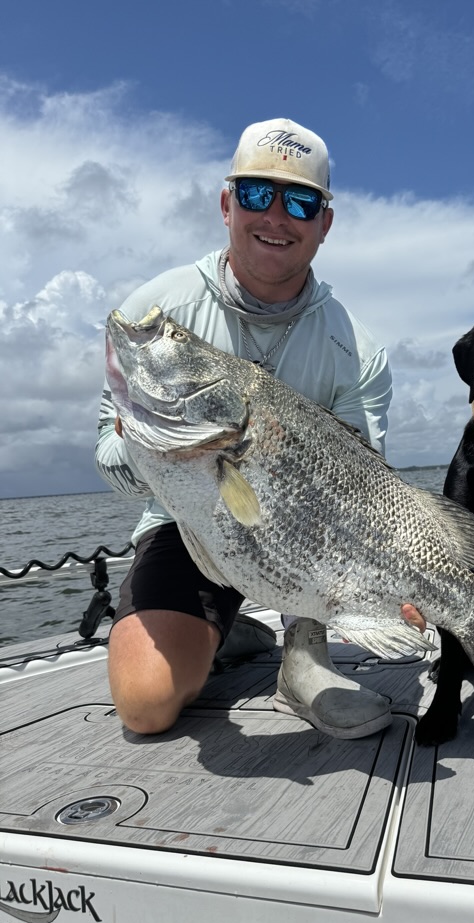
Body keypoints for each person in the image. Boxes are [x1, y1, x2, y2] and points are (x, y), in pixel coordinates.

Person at [95, 116, 424, 741]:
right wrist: (158, 445)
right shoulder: (156, 315)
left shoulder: (358, 351)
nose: (276, 216)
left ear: (324, 223)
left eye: (301, 202)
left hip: (317, 536)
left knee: (380, 581)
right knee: (146, 706)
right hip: (186, 519)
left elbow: (365, 492)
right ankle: (228, 629)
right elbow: (108, 459)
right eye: (255, 194)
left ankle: (302, 655)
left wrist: (389, 588)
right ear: (227, 205)